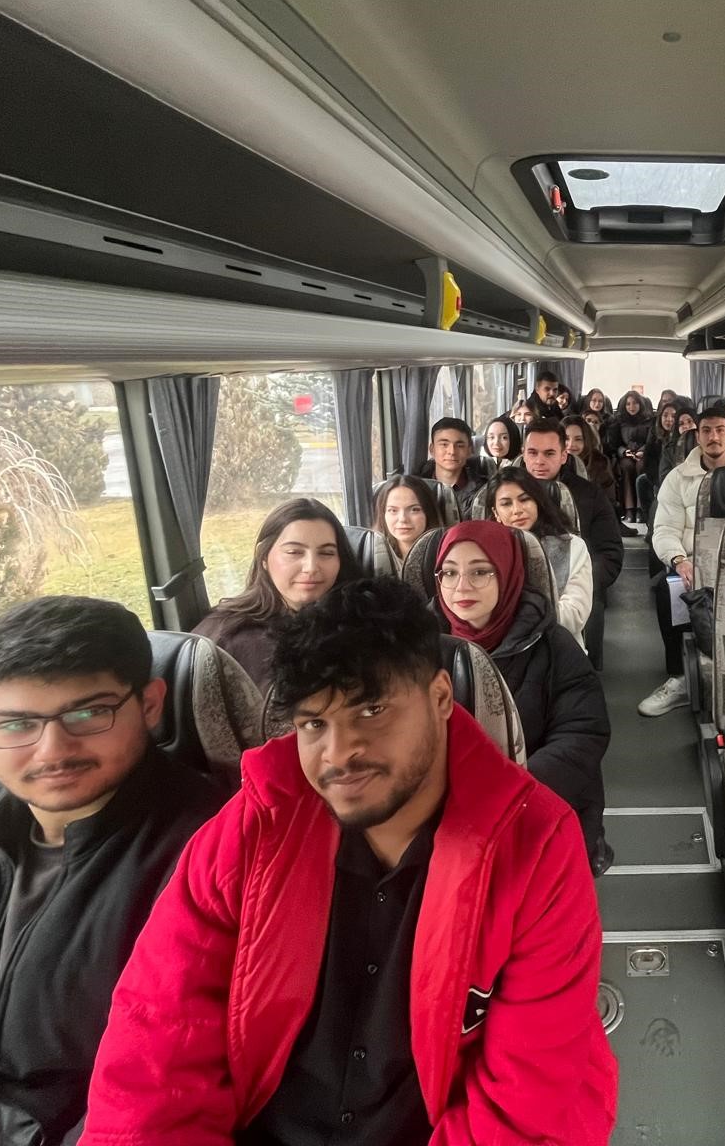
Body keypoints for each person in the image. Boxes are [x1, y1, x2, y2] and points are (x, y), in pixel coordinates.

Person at [81, 578, 617, 1144]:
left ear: (440, 698)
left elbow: (524, 1100)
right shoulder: (249, 833)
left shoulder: (534, 845)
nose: (339, 753)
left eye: (372, 709)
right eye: (314, 723)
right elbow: (157, 1049)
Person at [0, 596, 224, 1146]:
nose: (52, 750)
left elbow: (182, 1086)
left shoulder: (216, 855)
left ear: (150, 704)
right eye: (16, 723)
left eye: (88, 713)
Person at [433, 523, 612, 873]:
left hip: (536, 811)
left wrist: (507, 796)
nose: (461, 586)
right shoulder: (416, 647)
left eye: (480, 572)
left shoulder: (554, 646)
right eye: (449, 573)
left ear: (508, 574)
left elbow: (581, 735)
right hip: (441, 824)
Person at [640, 406, 725, 716]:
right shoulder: (678, 478)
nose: (713, 437)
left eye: (720, 430)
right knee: (667, 589)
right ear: (697, 436)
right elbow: (664, 529)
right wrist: (679, 560)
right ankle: (681, 676)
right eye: (706, 431)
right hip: (694, 561)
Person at [195, 498, 364, 691]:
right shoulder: (228, 638)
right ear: (263, 556)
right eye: (294, 552)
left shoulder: (361, 624)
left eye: (326, 553)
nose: (311, 567)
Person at [521, 419, 624, 670]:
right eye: (532, 453)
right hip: (515, 588)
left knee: (593, 604)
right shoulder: (505, 495)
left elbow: (610, 552)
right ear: (523, 454)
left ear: (564, 456)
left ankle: (588, 674)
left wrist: (581, 579)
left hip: (573, 581)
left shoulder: (590, 494)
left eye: (549, 454)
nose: (539, 461)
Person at [487, 470, 594, 647]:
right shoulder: (484, 552)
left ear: (537, 501)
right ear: (496, 513)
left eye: (524, 500)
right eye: (506, 504)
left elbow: (575, 616)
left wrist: (513, 616)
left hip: (557, 646)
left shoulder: (572, 547)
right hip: (498, 648)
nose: (517, 510)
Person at [417, 416, 490, 517]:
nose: (452, 452)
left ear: (469, 450)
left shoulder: (484, 491)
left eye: (459, 446)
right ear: (432, 449)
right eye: (444, 444)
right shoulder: (416, 489)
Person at [373, 474, 446, 567]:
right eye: (393, 510)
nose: (403, 519)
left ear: (429, 513)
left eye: (414, 510)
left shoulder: (447, 557)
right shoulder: (372, 560)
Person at [609, 390, 654, 525]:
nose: (631, 407)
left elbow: (651, 441)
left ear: (640, 404)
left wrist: (643, 451)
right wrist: (624, 452)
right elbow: (615, 444)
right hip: (626, 455)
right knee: (627, 466)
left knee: (641, 466)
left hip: (643, 454)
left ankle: (641, 509)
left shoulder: (649, 420)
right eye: (628, 404)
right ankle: (629, 509)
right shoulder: (619, 421)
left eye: (635, 403)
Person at [563, 413, 618, 507]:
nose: (571, 445)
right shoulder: (552, 462)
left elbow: (609, 502)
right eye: (566, 438)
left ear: (586, 440)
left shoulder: (599, 462)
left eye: (578, 439)